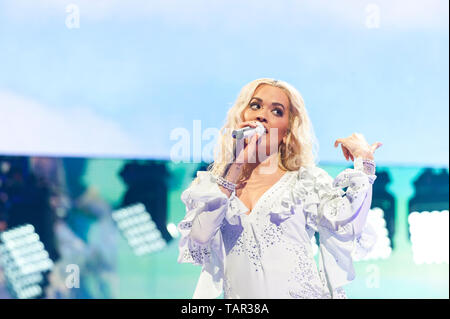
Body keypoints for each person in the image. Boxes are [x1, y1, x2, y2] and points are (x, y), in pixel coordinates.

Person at [177, 78, 382, 299]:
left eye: (276, 111)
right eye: (255, 105)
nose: (261, 115)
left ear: (286, 132)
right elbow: (200, 235)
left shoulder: (305, 182)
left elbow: (348, 224)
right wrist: (236, 164)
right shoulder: (213, 189)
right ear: (241, 117)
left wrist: (365, 163)